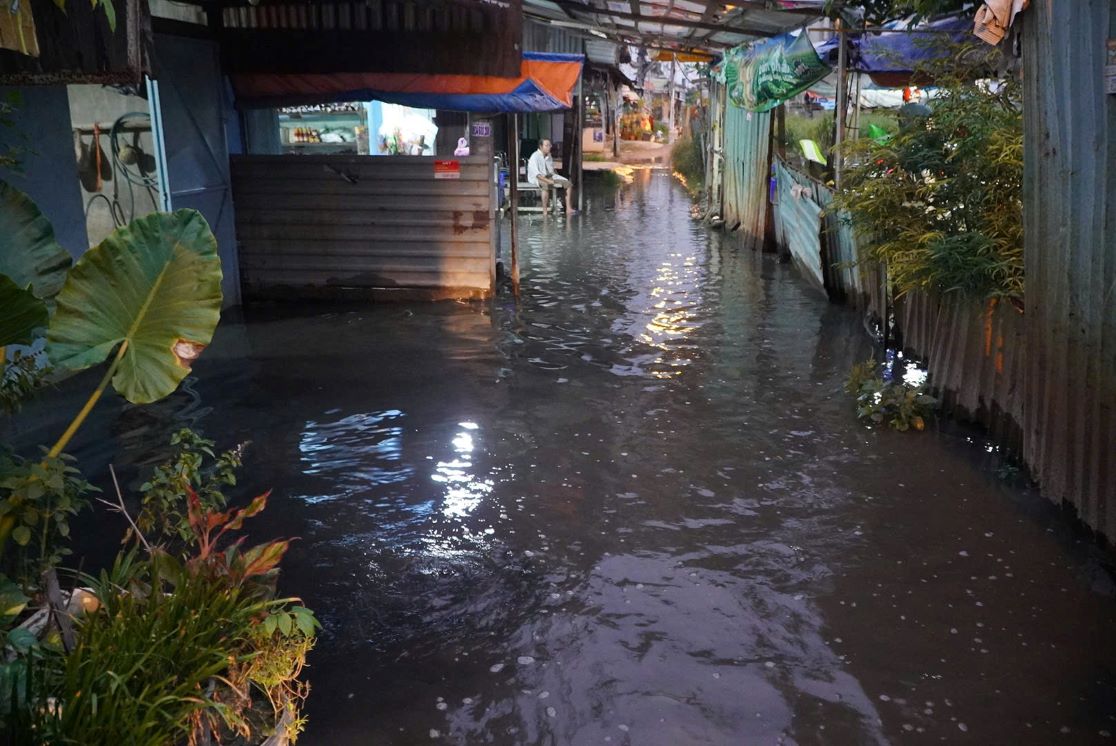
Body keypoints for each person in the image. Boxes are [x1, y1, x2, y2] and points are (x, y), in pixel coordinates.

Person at [526, 139, 575, 215]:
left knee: (568, 184)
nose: (549, 147)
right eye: (547, 145)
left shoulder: (549, 155)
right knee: (546, 185)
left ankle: (568, 208)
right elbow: (537, 175)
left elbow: (552, 170)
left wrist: (559, 178)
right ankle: (545, 210)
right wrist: (548, 181)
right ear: (541, 146)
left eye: (550, 145)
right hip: (538, 177)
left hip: (550, 176)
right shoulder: (534, 156)